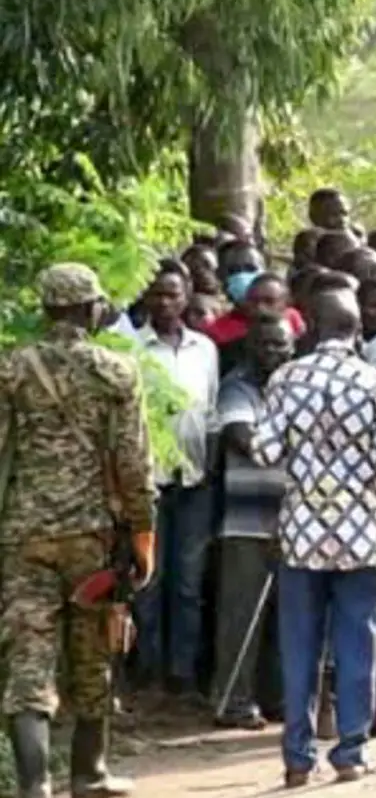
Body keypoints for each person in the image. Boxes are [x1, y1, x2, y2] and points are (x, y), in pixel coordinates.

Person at [0, 263, 157, 798]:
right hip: (93, 535)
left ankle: (32, 785)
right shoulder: (115, 372)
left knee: (27, 650)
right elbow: (133, 465)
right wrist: (141, 536)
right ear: (92, 309)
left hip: (24, 533)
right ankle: (89, 772)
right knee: (94, 650)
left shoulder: (12, 370)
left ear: (44, 311)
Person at [252, 287, 376, 786]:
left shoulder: (285, 378)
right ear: (356, 328)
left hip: (301, 531)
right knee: (356, 641)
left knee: (300, 643)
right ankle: (351, 751)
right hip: (360, 532)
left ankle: (297, 758)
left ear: (311, 328)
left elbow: (263, 450)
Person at [131, 268, 219, 699]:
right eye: (157, 295)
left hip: (195, 480)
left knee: (188, 583)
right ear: (146, 300)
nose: (164, 303)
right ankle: (148, 669)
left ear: (186, 300)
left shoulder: (205, 349)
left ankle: (182, 672)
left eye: (172, 295)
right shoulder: (132, 348)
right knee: (149, 580)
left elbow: (212, 412)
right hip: (148, 482)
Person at [209, 314, 295, 731]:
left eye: (280, 345)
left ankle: (277, 698)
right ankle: (232, 701)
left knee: (286, 618)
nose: (273, 353)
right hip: (248, 519)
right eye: (264, 345)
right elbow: (242, 438)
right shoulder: (237, 388)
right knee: (241, 617)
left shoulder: (295, 387)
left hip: (294, 519)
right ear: (249, 348)